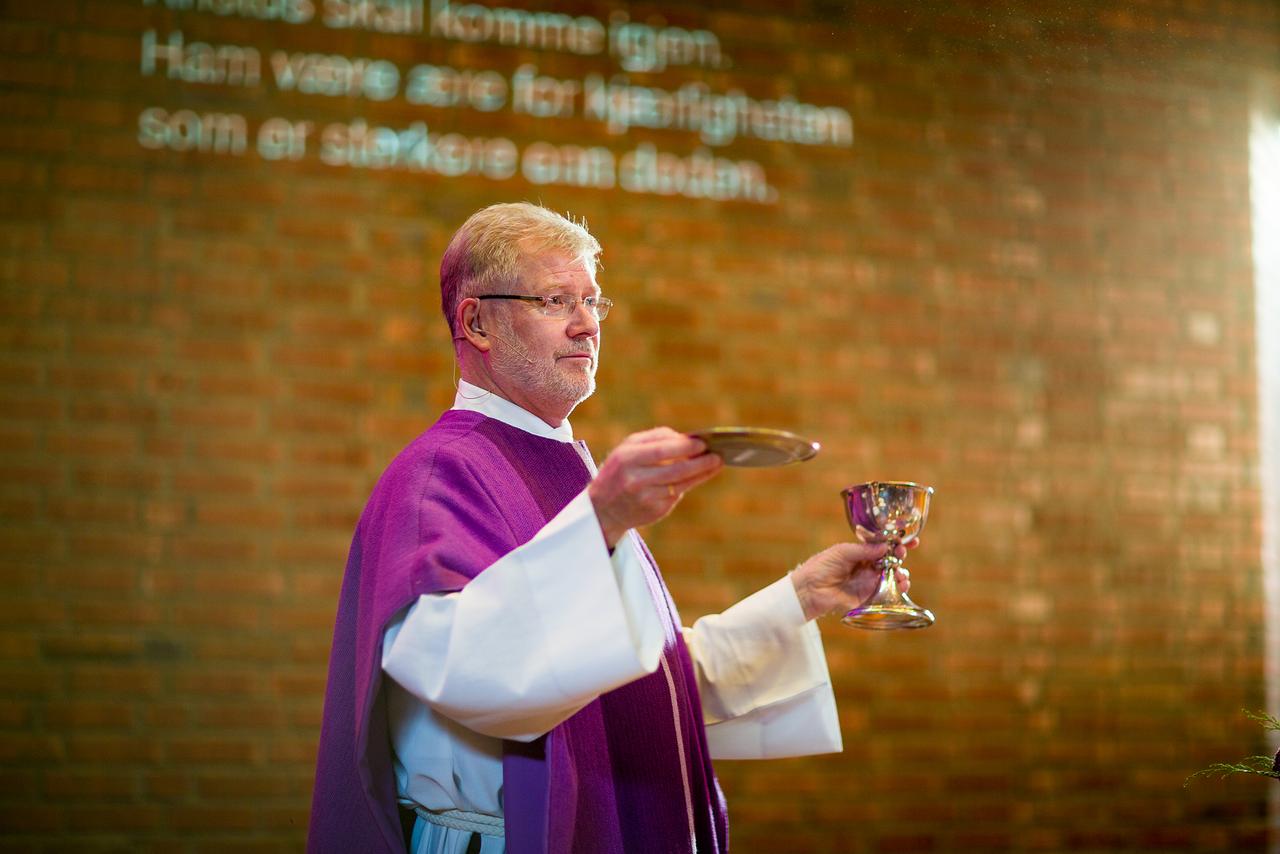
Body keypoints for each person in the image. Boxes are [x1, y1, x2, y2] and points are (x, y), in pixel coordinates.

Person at [307, 202, 911, 854]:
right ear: (476, 322)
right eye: (555, 300)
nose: (588, 324)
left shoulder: (564, 464)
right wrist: (604, 519)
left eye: (594, 301)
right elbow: (466, 676)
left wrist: (799, 598)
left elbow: (641, 680)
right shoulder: (438, 473)